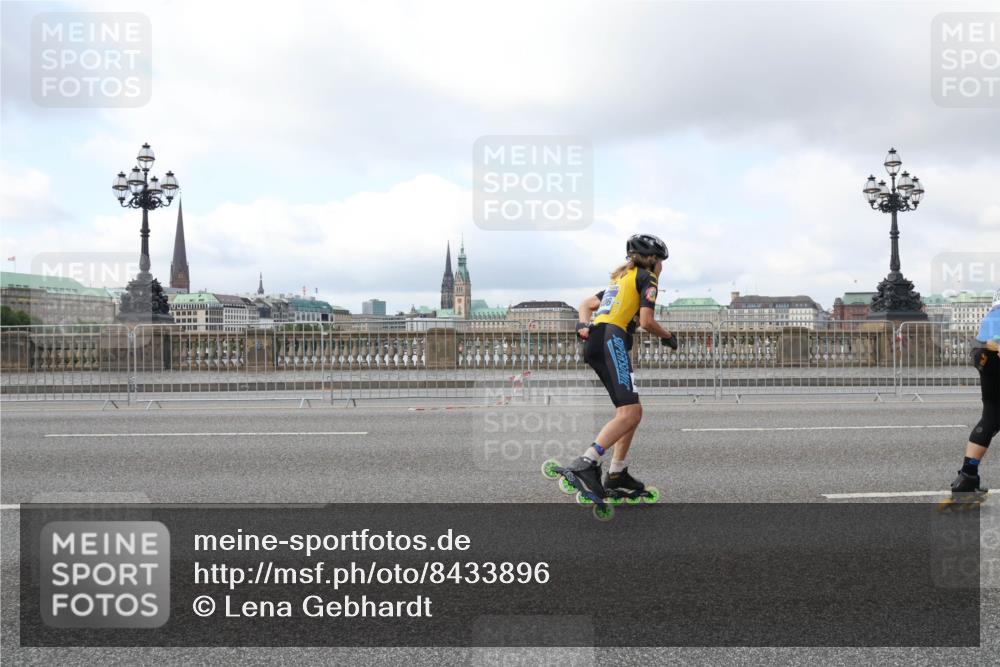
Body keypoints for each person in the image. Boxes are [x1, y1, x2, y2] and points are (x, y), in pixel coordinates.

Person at [559, 233, 678, 505]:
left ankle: (616, 473)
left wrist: (582, 324)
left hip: (597, 342)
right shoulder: (648, 279)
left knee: (629, 412)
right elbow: (647, 321)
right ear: (652, 260)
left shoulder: (620, 279)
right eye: (661, 261)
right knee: (630, 412)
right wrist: (668, 336)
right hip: (613, 338)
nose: (662, 266)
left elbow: (585, 305)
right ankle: (586, 464)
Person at [949, 288, 1000, 498]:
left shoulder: (994, 310)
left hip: (983, 353)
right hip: (995, 349)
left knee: (991, 416)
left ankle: (967, 479)